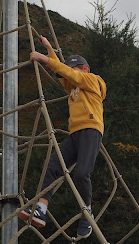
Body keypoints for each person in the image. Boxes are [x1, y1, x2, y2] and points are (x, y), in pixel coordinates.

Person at [17, 35, 107, 239]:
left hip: (90, 130)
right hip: (75, 134)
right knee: (53, 165)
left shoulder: (92, 80)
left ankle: (87, 213)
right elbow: (62, 72)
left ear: (84, 68)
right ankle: (41, 208)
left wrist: (43, 59)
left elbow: (68, 73)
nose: (71, 73)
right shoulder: (74, 86)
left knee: (81, 174)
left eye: (74, 69)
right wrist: (50, 49)